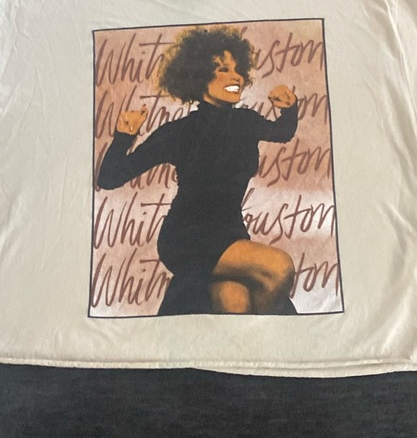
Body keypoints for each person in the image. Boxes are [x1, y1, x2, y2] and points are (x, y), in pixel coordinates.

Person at [97, 25, 299, 314]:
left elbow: (282, 132)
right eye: (222, 69)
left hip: (231, 235)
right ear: (199, 76)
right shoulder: (180, 131)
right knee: (280, 267)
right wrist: (123, 137)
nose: (235, 77)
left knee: (234, 300)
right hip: (187, 238)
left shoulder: (246, 122)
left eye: (237, 70)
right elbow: (109, 177)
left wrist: (289, 109)